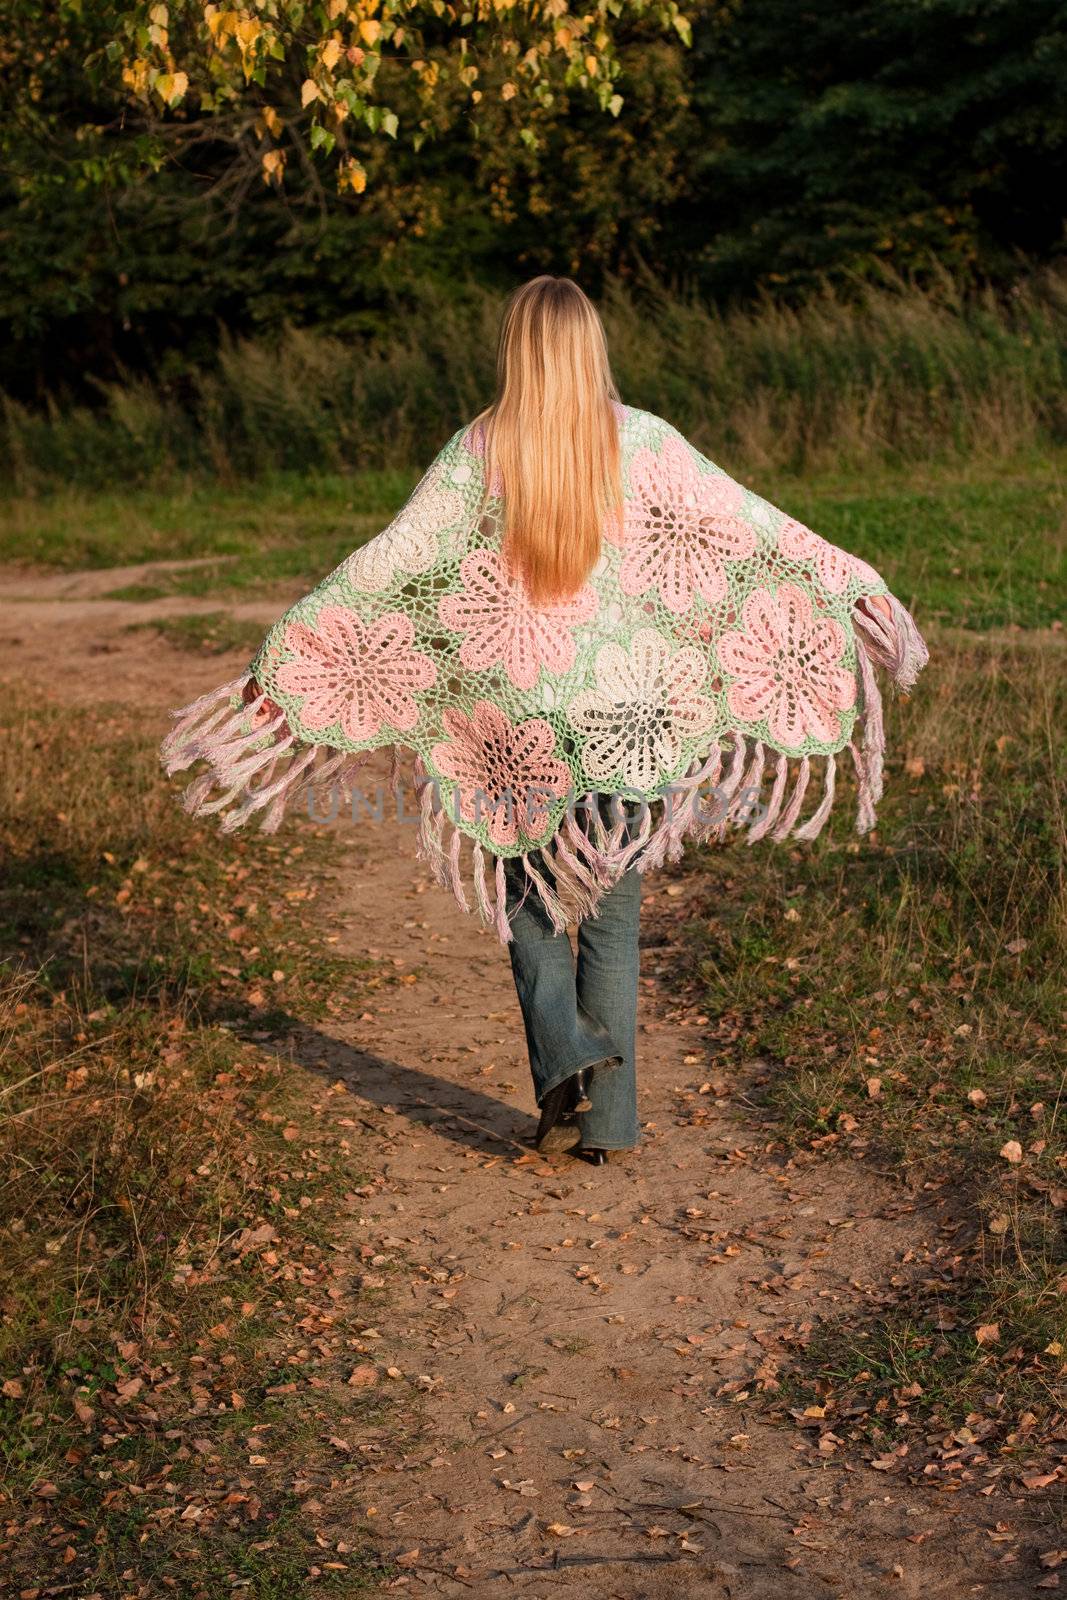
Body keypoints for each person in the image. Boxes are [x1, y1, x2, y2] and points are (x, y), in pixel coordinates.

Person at [162, 276, 927, 1170]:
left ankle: (565, 1054)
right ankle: (607, 1124)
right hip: (633, 719)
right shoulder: (645, 442)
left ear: (515, 350)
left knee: (529, 909)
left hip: (515, 733)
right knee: (611, 921)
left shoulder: (479, 449)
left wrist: (280, 663)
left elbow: (388, 564)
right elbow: (756, 529)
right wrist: (855, 586)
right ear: (589, 346)